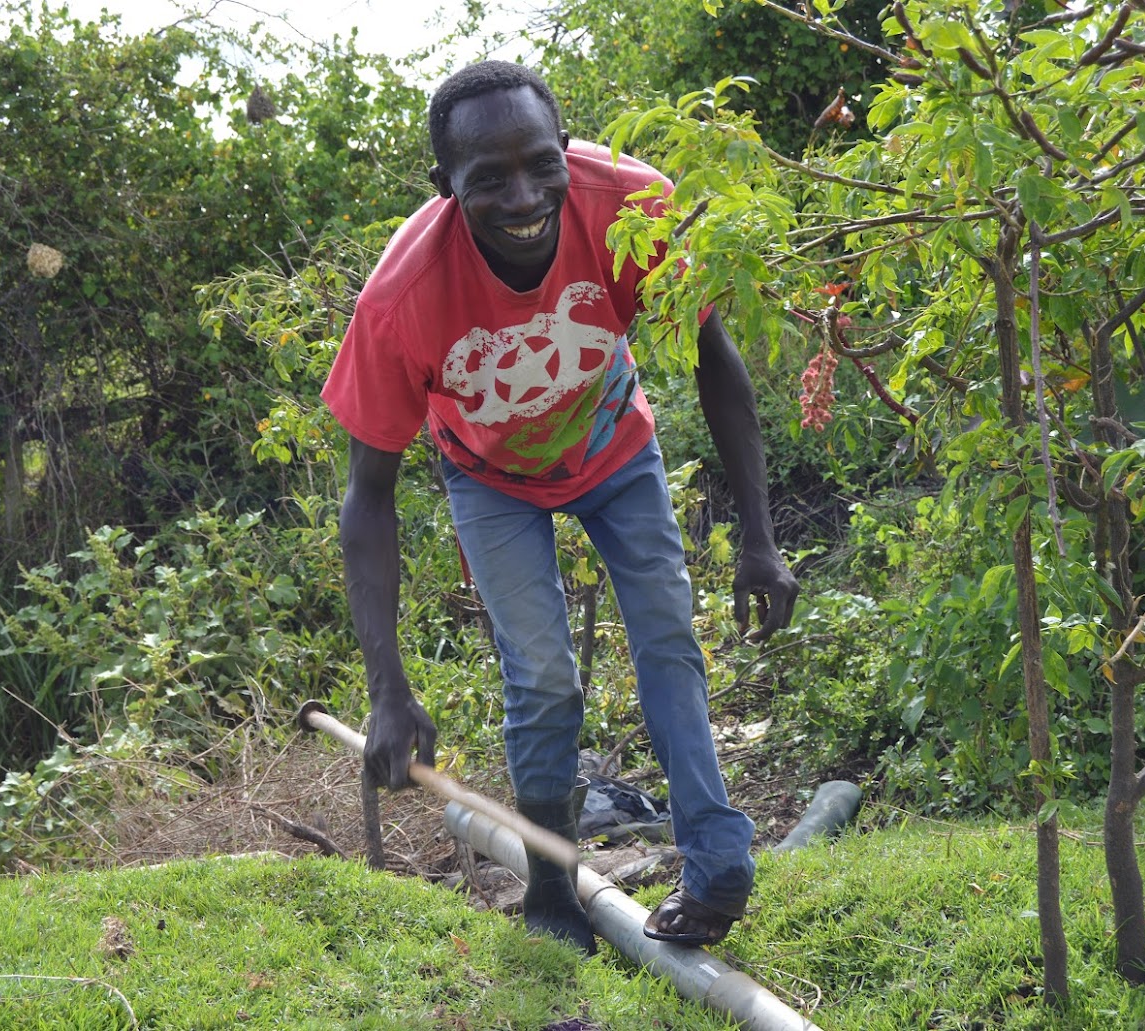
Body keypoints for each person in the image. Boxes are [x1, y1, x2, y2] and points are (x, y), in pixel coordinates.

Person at [321, 61, 798, 954]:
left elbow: (714, 362)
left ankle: (718, 861)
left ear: (566, 148)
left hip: (615, 447)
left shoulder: (632, 207)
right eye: (486, 180)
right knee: (541, 675)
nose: (524, 196)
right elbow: (368, 494)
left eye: (541, 163)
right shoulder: (399, 300)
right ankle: (550, 885)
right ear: (444, 187)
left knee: (667, 636)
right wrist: (387, 687)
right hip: (487, 478)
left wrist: (758, 540)